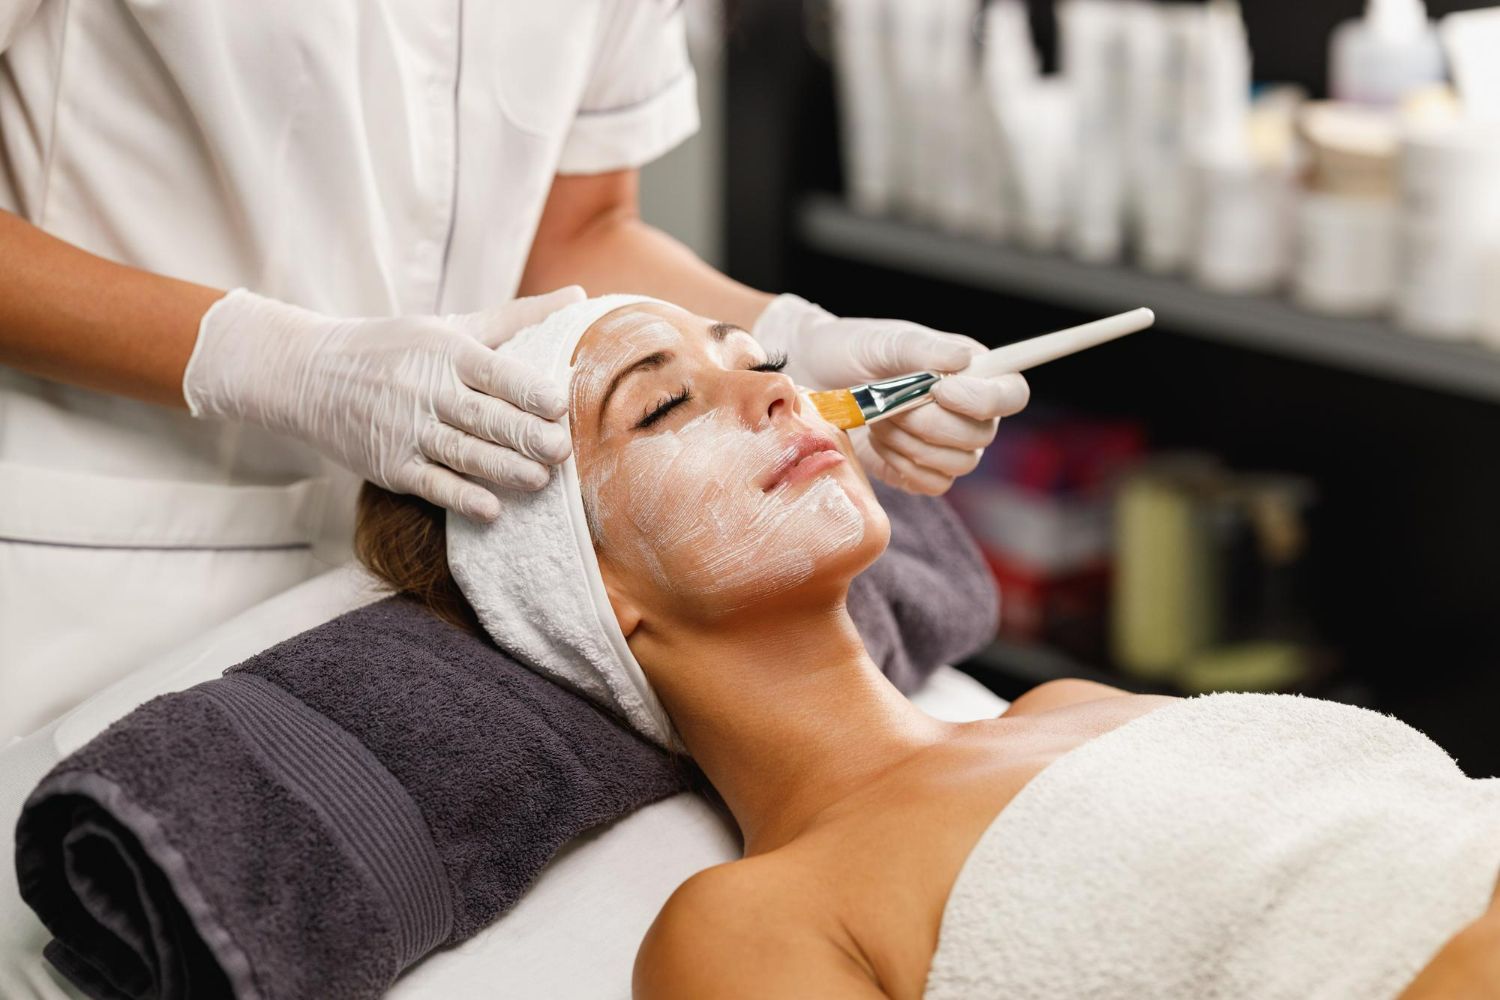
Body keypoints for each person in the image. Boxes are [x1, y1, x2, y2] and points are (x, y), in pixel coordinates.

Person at [357, 296, 1500, 999]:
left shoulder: (1074, 704)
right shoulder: (751, 926)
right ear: (588, 594)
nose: (776, 395)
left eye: (758, 358)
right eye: (662, 409)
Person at [0, 2, 1029, 741]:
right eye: (664, 401)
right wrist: (270, 362)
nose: (762, 388)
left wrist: (793, 336)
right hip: (105, 565)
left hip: (447, 598)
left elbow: (576, 232)